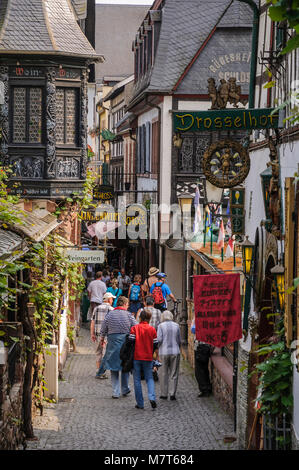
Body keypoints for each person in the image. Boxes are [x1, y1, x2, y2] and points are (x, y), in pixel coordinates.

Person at [98, 296, 137, 398]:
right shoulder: (129, 315)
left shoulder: (110, 315)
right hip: (125, 344)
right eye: (128, 305)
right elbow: (135, 327)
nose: (128, 306)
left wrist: (102, 339)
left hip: (112, 343)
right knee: (125, 366)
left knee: (113, 367)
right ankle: (125, 389)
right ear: (124, 304)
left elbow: (103, 328)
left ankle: (116, 391)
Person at [129, 309, 159, 409]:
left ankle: (140, 403)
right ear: (149, 318)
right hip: (148, 357)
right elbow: (155, 345)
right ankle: (152, 397)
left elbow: (131, 342)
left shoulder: (135, 328)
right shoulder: (152, 329)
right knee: (149, 378)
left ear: (140, 318)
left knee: (137, 380)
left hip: (136, 357)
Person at [157, 310, 181, 401]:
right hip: (175, 351)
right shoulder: (177, 325)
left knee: (163, 373)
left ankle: (164, 393)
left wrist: (157, 349)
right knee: (174, 373)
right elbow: (179, 340)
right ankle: (172, 393)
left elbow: (159, 339)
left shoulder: (160, 326)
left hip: (163, 351)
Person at [90, 292, 115, 379]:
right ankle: (101, 372)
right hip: (107, 336)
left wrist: (92, 333)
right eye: (112, 299)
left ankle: (98, 370)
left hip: (97, 335)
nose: (112, 301)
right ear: (108, 300)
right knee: (105, 354)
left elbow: (92, 322)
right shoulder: (112, 309)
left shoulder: (96, 308)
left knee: (98, 353)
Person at [191, 318, 214, 397]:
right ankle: (207, 387)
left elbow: (193, 330)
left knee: (199, 370)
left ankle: (204, 389)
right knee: (204, 368)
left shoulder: (197, 318)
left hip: (199, 346)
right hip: (207, 346)